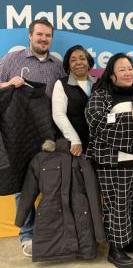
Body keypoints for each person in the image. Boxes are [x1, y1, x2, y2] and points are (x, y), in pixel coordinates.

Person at [85, 53, 133, 268]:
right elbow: (96, 121)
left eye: (130, 68)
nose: (128, 72)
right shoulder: (100, 96)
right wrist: (127, 116)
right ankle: (116, 248)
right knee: (117, 206)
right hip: (114, 165)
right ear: (111, 75)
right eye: (122, 69)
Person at [0, 18, 65, 256]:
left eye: (48, 36)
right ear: (30, 35)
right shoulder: (12, 60)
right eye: (39, 34)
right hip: (19, 134)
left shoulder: (57, 66)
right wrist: (8, 83)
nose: (43, 39)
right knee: (22, 185)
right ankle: (27, 235)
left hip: (49, 134)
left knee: (52, 184)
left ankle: (50, 232)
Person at [52, 45, 95, 156]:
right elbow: (58, 114)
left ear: (89, 62)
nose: (79, 62)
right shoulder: (61, 84)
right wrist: (75, 140)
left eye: (82, 58)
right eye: (73, 60)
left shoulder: (98, 83)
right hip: (74, 146)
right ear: (68, 66)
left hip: (98, 144)